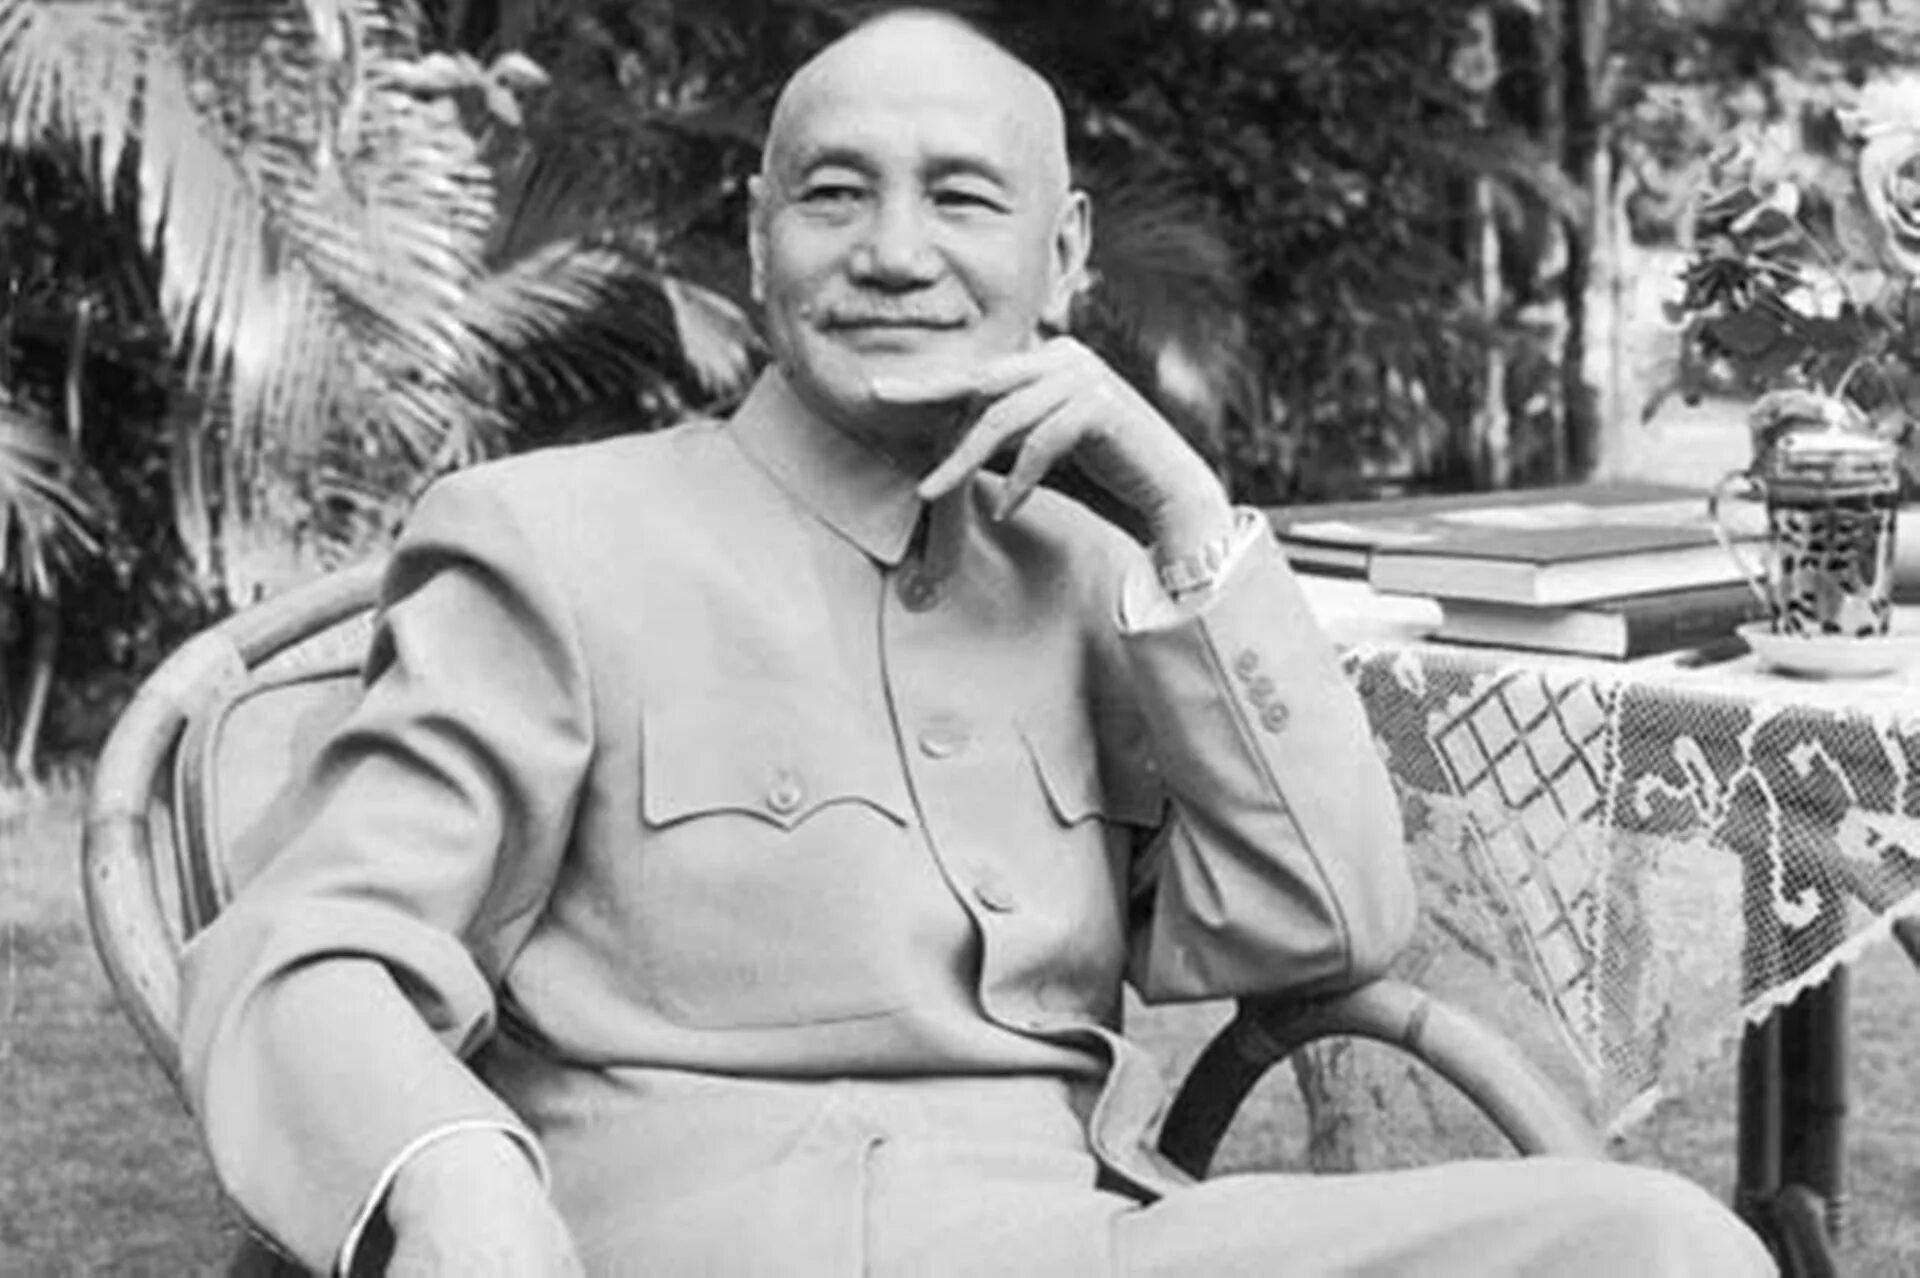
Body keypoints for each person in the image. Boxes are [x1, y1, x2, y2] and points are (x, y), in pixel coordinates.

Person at [179, 9, 1777, 1276]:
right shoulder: (551, 538)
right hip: (694, 1242)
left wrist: (1184, 512)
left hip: (1080, 1238)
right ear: (760, 239)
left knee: (1656, 1243)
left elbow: (1328, 923)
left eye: (959, 197)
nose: (893, 251)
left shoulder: (1097, 576)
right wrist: (454, 1174)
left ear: (1062, 256)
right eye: (834, 194)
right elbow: (312, 945)